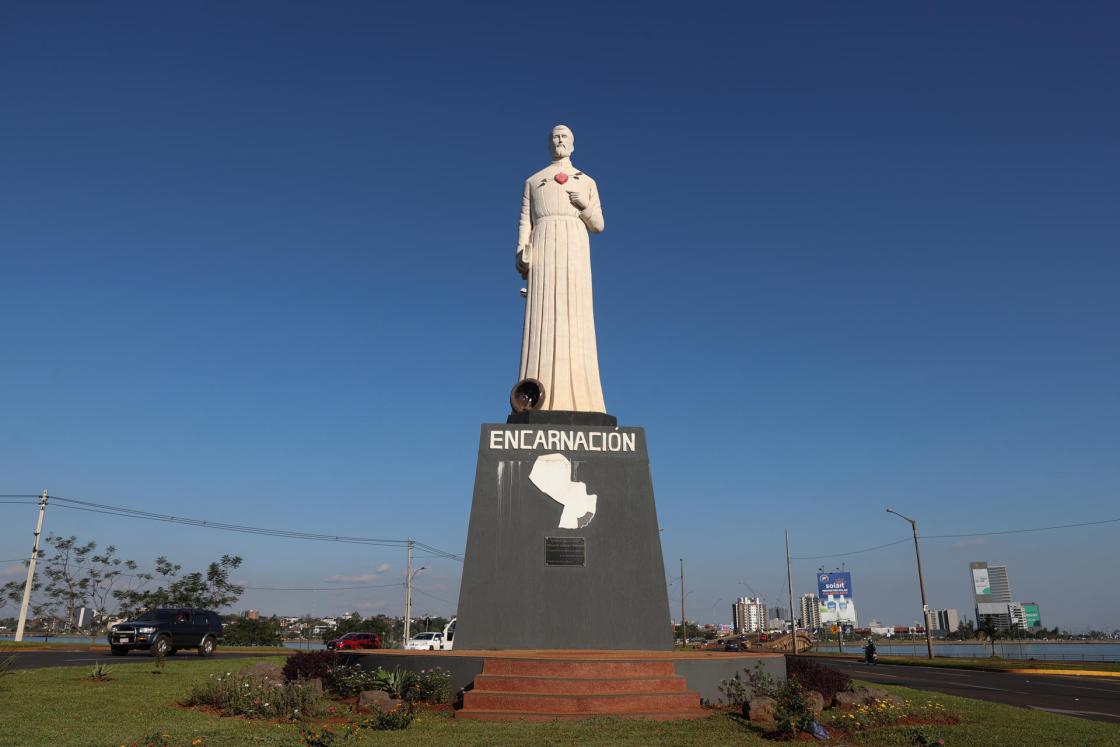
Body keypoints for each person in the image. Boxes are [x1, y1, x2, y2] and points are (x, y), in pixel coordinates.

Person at [515, 124, 607, 413]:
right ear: (548, 144)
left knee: (574, 314)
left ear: (573, 144)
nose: (559, 141)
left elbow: (599, 225)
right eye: (555, 137)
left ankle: (582, 398)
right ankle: (535, 395)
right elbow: (524, 222)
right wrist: (521, 251)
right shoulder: (533, 181)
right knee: (542, 315)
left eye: (564, 137)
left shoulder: (586, 181)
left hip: (573, 248)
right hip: (543, 246)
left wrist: (584, 207)